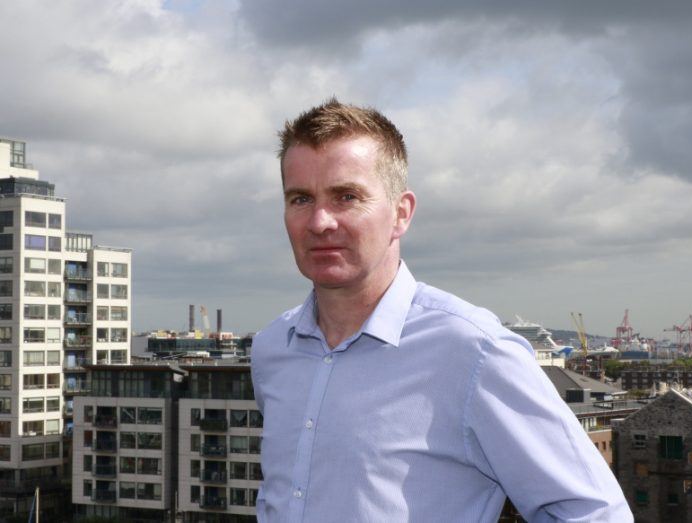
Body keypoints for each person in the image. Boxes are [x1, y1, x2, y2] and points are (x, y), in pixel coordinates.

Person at [251, 99, 632, 522]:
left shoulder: (473, 352)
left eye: (346, 196)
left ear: (401, 213)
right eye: (301, 198)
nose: (320, 221)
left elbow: (597, 513)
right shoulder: (273, 350)